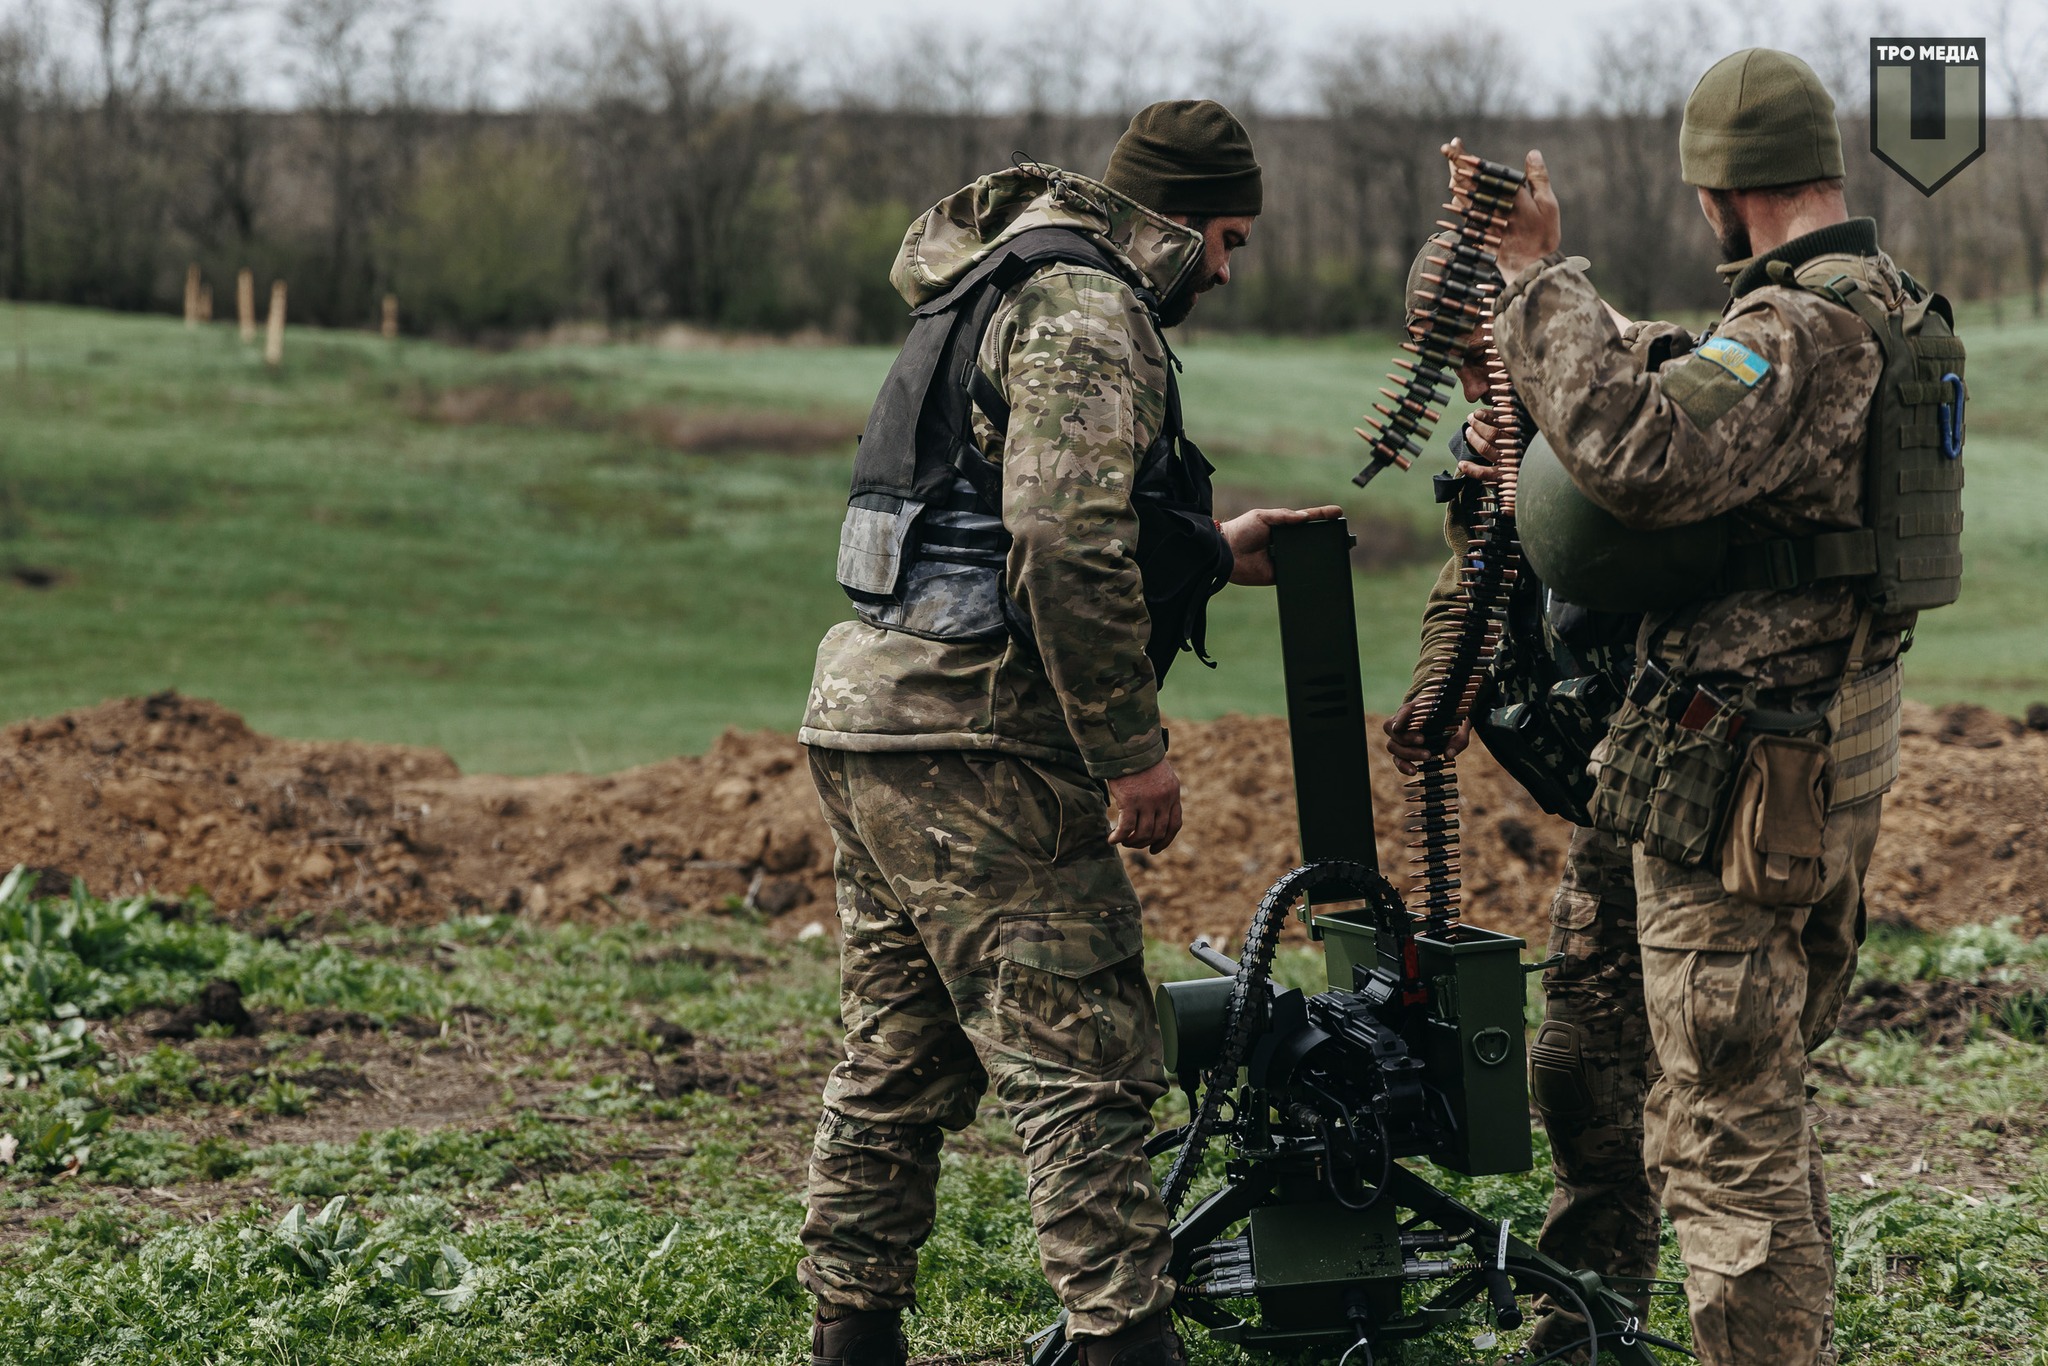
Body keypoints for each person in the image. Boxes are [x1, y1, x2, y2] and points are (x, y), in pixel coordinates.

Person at [797, 99, 1340, 1366]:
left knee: (893, 1059)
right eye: (1228, 238)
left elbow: (987, 518)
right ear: (1181, 221)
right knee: (1085, 1073)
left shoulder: (989, 281)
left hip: (871, 719)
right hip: (985, 740)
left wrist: (1210, 548)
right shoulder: (1089, 306)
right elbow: (1060, 541)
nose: (1224, 268)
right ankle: (1122, 1346)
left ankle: (850, 1334)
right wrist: (1129, 752)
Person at [1479, 48, 1941, 1366]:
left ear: (1722, 192)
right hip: (1701, 763)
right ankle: (1589, 1317)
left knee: (1728, 1134)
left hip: (1744, 791)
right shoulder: (1849, 311)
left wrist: (1539, 278)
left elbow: (1639, 453)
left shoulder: (1805, 330)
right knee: (1589, 1041)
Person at [1381, 233, 1661, 1352]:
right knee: (1577, 1067)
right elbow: (1476, 579)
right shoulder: (1496, 439)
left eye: (1475, 358)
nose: (1465, 389)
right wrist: (1437, 689)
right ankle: (1585, 1323)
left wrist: (1558, 464)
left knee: (1725, 1091)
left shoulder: (1643, 390)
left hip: (1705, 793)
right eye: (1445, 366)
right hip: (1613, 805)